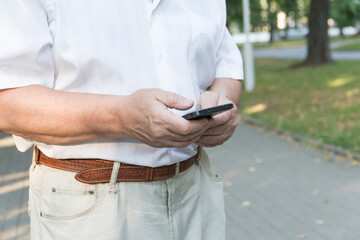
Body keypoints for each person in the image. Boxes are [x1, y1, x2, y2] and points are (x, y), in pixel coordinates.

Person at [0, 0, 243, 239]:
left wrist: (222, 103)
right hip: (89, 206)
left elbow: (226, 67)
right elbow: (7, 103)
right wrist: (121, 116)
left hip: (196, 191)